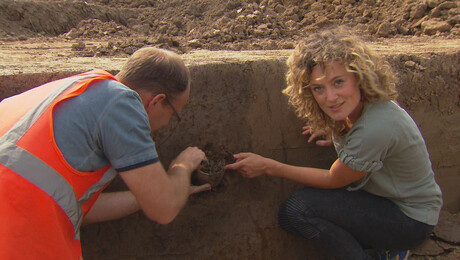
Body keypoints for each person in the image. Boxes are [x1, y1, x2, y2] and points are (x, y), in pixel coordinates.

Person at [225, 26, 442, 260]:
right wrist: (338, 132)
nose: (330, 97)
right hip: (387, 203)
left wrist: (269, 166)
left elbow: (333, 180)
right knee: (294, 214)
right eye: (318, 88)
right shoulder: (365, 110)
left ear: (359, 76)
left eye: (338, 82)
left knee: (297, 211)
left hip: (409, 221)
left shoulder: (376, 127)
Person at [0, 47, 211, 259]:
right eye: (174, 116)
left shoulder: (78, 89)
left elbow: (71, 206)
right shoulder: (122, 103)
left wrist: (150, 193)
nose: (166, 123)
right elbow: (164, 209)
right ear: (156, 101)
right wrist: (181, 167)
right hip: (20, 242)